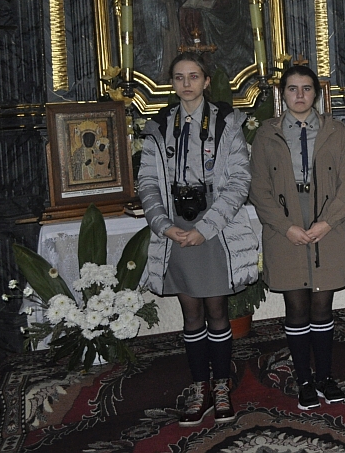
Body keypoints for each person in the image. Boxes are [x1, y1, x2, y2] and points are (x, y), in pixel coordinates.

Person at [137, 53, 258, 427]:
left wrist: (205, 228)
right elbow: (148, 182)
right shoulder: (159, 126)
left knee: (217, 310)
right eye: (179, 77)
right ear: (172, 83)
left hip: (214, 226)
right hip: (176, 226)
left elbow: (239, 181)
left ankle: (221, 387)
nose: (186, 84)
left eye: (193, 77)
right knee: (191, 312)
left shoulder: (227, 123)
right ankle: (199, 386)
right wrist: (163, 225)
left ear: (206, 81)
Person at [249, 65, 345, 410]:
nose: (299, 95)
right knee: (296, 306)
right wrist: (286, 227)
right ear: (282, 93)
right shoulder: (266, 134)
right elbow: (259, 189)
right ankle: (304, 380)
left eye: (306, 88)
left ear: (317, 93)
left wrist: (327, 223)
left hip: (327, 221)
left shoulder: (336, 132)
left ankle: (324, 376)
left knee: (322, 306)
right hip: (286, 222)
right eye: (292, 88)